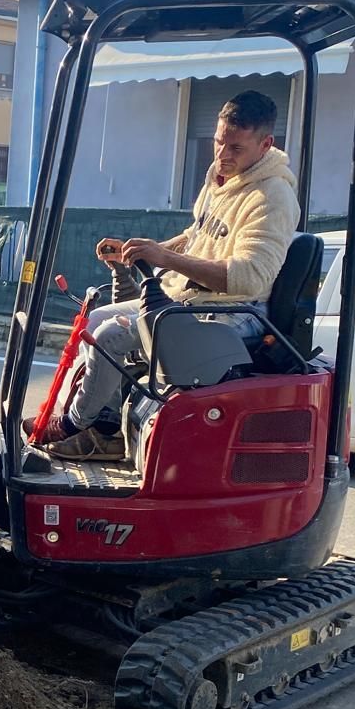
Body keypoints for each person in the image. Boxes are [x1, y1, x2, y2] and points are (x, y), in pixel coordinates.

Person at [32, 89, 299, 461]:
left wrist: (164, 260)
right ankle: (105, 428)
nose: (222, 154)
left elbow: (251, 276)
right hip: (194, 302)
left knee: (110, 336)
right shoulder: (221, 179)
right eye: (219, 142)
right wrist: (144, 251)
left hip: (235, 314)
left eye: (235, 148)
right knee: (94, 321)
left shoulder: (272, 197)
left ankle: (73, 424)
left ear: (265, 143)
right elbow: (197, 235)